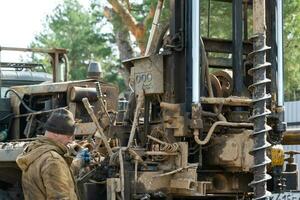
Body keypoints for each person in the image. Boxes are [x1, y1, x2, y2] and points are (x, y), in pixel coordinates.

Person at [16, 108, 78, 200]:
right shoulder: (53, 160)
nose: (70, 140)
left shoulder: (35, 150)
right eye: (68, 136)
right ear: (56, 134)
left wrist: (79, 163)